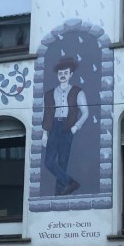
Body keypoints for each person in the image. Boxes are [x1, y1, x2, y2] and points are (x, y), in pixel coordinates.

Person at [41, 57, 88, 195]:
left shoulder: (78, 92)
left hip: (67, 127)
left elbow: (85, 112)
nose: (62, 75)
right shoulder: (48, 94)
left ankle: (59, 193)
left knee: (63, 161)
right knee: (49, 162)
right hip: (53, 127)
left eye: (65, 73)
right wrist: (44, 133)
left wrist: (76, 127)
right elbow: (46, 113)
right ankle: (71, 182)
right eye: (60, 73)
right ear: (57, 75)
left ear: (71, 74)